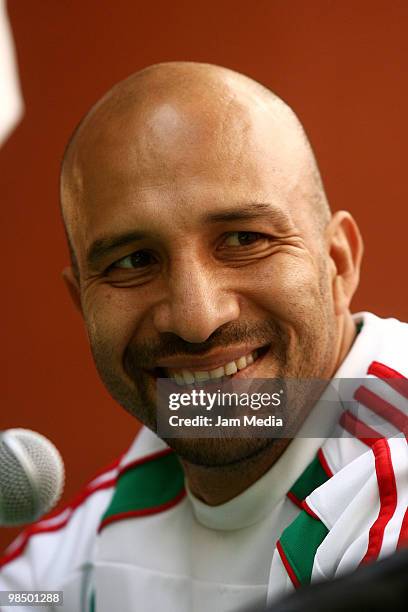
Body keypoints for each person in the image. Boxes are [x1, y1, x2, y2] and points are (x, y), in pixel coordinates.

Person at [0, 62, 407, 612]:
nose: (197, 318)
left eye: (244, 238)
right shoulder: (107, 524)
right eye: (133, 261)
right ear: (83, 306)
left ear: (338, 262)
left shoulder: (392, 476)